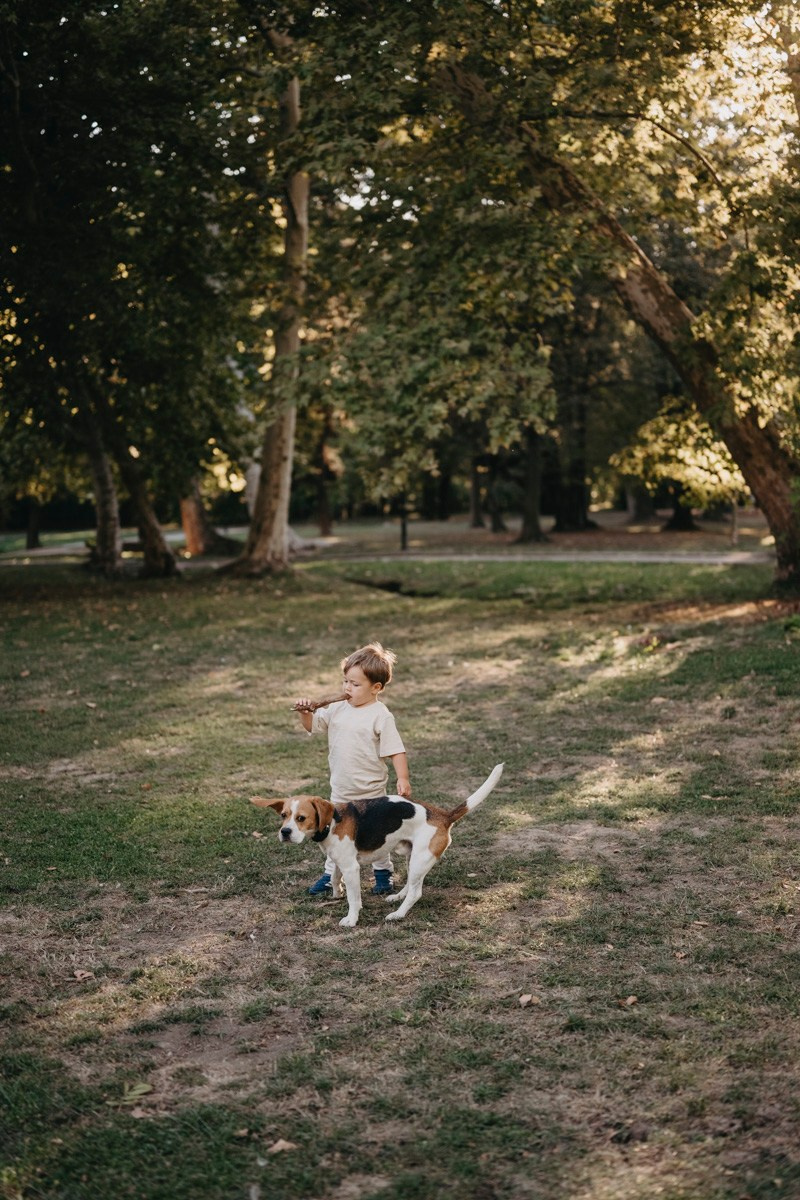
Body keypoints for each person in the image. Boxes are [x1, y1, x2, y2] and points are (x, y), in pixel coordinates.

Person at [293, 641, 411, 897]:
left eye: (355, 684)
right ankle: (329, 876)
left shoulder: (381, 715)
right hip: (341, 789)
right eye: (345, 681)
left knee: (375, 833)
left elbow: (395, 750)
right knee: (334, 834)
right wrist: (305, 712)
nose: (347, 687)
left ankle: (383, 872)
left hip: (371, 791)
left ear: (376, 688)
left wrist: (402, 778)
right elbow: (312, 726)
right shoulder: (336, 707)